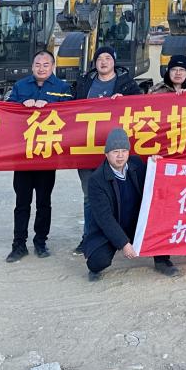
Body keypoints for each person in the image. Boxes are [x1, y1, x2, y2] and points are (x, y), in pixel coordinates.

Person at [70, 45, 142, 254]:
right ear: (95, 62)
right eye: (100, 58)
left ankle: (122, 237)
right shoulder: (84, 83)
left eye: (108, 58)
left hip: (116, 151)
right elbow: (67, 108)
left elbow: (144, 106)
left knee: (120, 194)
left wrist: (125, 101)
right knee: (89, 197)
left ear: (114, 62)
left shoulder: (127, 84)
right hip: (87, 147)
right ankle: (88, 238)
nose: (103, 62)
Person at [81, 128, 178, 281]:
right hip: (112, 226)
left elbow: (155, 181)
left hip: (136, 223)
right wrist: (124, 244)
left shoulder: (136, 164)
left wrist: (158, 165)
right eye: (115, 152)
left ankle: (162, 260)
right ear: (106, 154)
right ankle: (98, 260)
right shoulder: (96, 180)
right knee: (98, 261)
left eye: (124, 151)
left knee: (161, 217)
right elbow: (105, 218)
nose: (120, 156)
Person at [5, 49, 73, 262]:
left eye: (46, 64)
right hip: (23, 154)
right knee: (22, 202)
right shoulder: (20, 86)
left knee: (44, 202)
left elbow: (73, 114)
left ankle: (40, 242)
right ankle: (19, 244)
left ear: (53, 66)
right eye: (37, 64)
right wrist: (21, 106)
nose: (41, 68)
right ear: (32, 66)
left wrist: (50, 107)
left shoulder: (62, 88)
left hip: (47, 154)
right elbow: (6, 112)